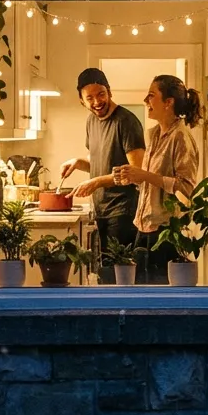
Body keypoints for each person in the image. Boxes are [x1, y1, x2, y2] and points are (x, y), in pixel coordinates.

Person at [111, 75, 202, 284]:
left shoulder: (181, 137)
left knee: (157, 297)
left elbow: (187, 188)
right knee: (140, 293)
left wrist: (144, 175)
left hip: (166, 232)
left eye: (151, 95)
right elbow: (151, 181)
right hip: (144, 227)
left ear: (168, 102)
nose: (146, 100)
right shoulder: (153, 134)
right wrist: (132, 178)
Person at [58, 68, 146, 284]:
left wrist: (96, 182)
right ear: (82, 101)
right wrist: (79, 163)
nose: (97, 101)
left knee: (119, 278)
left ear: (110, 92)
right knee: (106, 275)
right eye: (90, 98)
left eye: (101, 94)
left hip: (123, 211)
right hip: (102, 210)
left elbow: (136, 172)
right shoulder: (91, 122)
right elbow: (101, 164)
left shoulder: (126, 121)